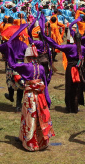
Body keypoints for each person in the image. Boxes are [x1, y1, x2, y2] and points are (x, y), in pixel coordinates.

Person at [5, 23, 55, 151]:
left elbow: (11, 64)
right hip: (40, 95)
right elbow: (46, 82)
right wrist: (47, 98)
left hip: (30, 96)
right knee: (38, 117)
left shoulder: (26, 66)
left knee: (29, 117)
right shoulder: (41, 68)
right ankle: (41, 141)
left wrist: (9, 48)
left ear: (28, 56)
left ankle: (29, 142)